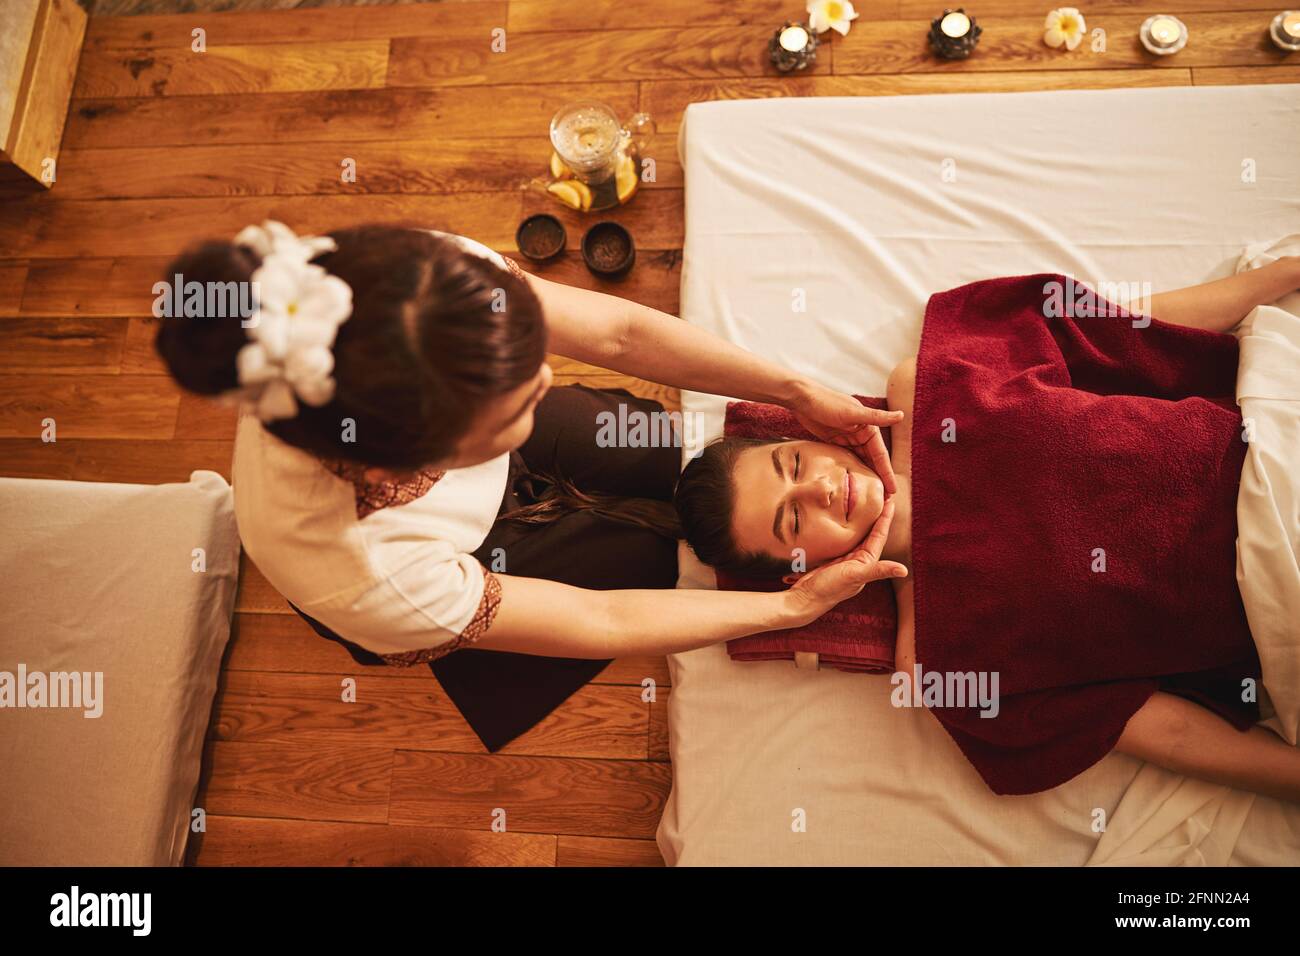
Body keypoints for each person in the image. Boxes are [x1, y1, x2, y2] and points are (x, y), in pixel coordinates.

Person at [153, 219, 905, 749]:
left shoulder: (407, 285)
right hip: (422, 567)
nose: (547, 378)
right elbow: (601, 622)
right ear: (408, 465)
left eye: (526, 358)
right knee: (633, 553)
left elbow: (619, 337)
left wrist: (794, 390)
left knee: (653, 450)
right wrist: (785, 610)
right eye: (519, 399)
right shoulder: (379, 578)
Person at [673, 258, 1300, 803]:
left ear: (803, 433)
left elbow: (1125, 334)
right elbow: (1164, 729)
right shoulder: (938, 665)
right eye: (793, 519)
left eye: (794, 464)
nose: (818, 488)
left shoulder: (928, 381)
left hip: (1274, 448)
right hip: (1281, 593)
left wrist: (1284, 276)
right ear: (802, 569)